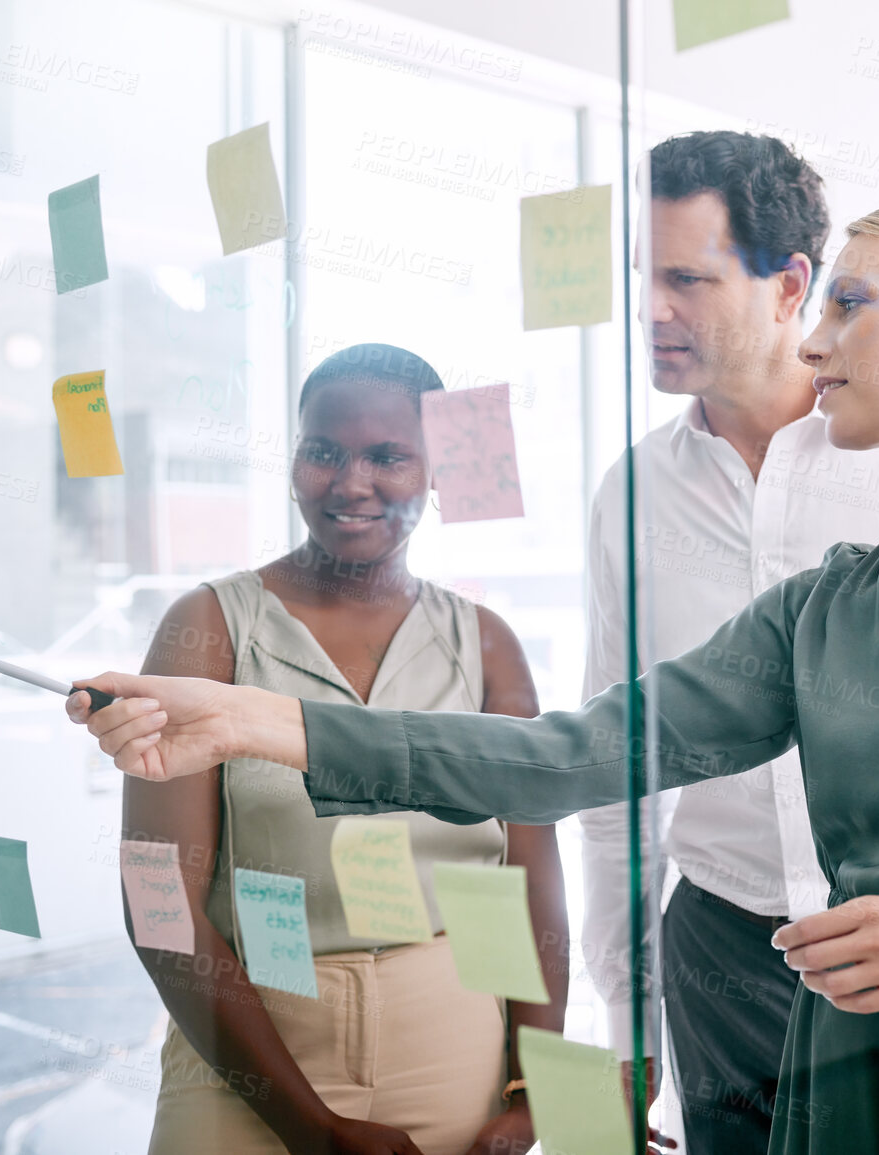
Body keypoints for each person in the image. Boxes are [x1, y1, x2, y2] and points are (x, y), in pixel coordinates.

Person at [74, 194, 879, 1153]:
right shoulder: (825, 609)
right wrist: (257, 720)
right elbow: (567, 757)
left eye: (851, 304)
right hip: (839, 1098)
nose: (812, 341)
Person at [123, 343, 569, 1155]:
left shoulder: (487, 645)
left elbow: (527, 879)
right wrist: (310, 1125)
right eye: (322, 450)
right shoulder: (210, 630)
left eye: (387, 455)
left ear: (437, 470)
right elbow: (158, 904)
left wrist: (533, 1081)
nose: (349, 481)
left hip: (452, 1045)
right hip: (249, 1052)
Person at [579, 129, 879, 1154]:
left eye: (687, 278)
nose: (651, 309)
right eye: (645, 276)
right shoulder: (634, 493)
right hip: (718, 946)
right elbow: (614, 772)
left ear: (789, 285)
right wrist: (627, 1012)